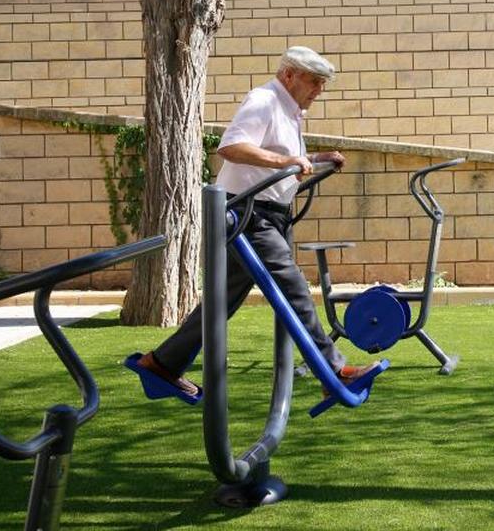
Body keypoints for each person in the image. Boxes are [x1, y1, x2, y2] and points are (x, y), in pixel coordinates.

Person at [126, 46, 379, 403]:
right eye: (314, 82)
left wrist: (316, 159)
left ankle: (161, 363)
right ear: (289, 75)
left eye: (323, 84)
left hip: (267, 214)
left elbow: (276, 155)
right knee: (293, 290)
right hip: (249, 214)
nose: (319, 91)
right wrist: (284, 160)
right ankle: (333, 372)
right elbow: (231, 147)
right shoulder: (264, 100)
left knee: (221, 301)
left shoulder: (288, 111)